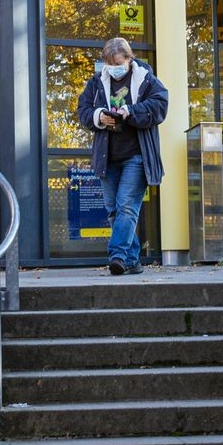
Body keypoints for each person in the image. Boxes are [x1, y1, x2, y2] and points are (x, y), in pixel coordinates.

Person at [77, 37, 168, 275]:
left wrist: (131, 111)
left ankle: (117, 255)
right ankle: (132, 260)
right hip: (108, 157)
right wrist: (98, 116)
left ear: (129, 59)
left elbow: (160, 106)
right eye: (108, 63)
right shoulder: (97, 82)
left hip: (137, 156)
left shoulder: (146, 79)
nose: (113, 68)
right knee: (114, 211)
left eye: (117, 62)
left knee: (127, 207)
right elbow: (83, 110)